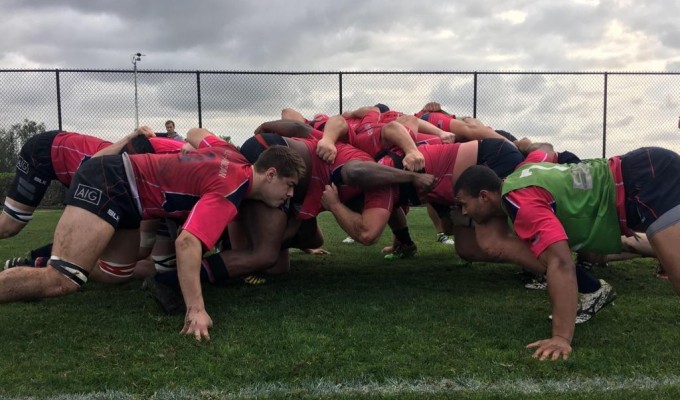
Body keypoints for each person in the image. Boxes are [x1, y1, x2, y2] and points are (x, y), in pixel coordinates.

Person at [0, 128, 306, 342]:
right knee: (63, 280)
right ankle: (54, 263)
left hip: (127, 191)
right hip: (111, 181)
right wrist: (196, 309)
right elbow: (187, 242)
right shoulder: (231, 190)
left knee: (116, 272)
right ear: (270, 175)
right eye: (289, 185)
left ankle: (49, 259)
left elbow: (198, 132)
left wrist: (190, 148)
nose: (290, 194)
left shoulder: (233, 156)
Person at [454, 146, 680, 361]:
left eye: (464, 204)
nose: (464, 212)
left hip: (646, 179)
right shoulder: (521, 171)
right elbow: (545, 153)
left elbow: (561, 263)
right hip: (643, 169)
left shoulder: (521, 202)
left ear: (484, 196)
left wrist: (560, 338)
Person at [0, 128, 157, 241]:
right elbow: (91, 166)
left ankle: (38, 260)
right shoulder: (107, 167)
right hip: (41, 153)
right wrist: (131, 135)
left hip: (67, 155)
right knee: (10, 226)